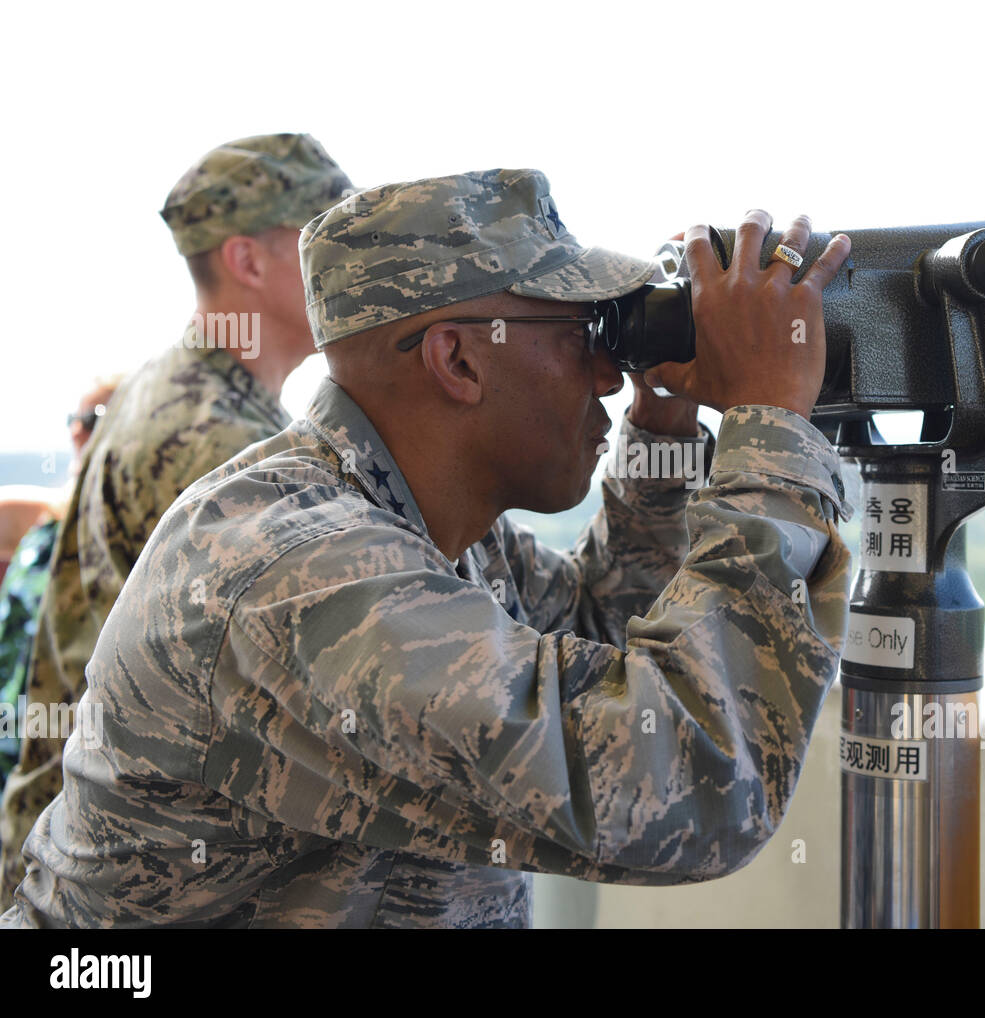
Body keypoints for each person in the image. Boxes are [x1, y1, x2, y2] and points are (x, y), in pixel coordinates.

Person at [2, 168, 854, 928]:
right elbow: (689, 787)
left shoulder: (426, 522)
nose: (606, 372)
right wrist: (770, 432)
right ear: (458, 359)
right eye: (580, 333)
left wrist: (665, 418)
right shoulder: (299, 574)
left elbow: (604, 630)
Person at [0, 133, 353, 903]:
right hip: (123, 886)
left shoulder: (179, 389)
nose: (349, 261)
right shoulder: (218, 440)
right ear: (247, 262)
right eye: (324, 234)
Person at [0, 377, 120, 780]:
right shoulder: (51, 520)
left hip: (47, 748)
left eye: (93, 417)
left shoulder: (114, 534)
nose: (76, 429)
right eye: (74, 417)